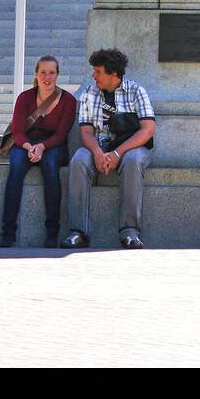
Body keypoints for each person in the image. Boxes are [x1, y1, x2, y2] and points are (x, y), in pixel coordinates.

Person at [61, 47, 156, 250]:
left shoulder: (136, 91)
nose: (93, 76)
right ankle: (78, 232)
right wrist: (97, 152)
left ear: (113, 73)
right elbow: (86, 132)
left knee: (133, 161)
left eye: (98, 72)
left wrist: (117, 153)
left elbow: (147, 130)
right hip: (99, 144)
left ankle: (129, 232)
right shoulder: (89, 92)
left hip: (130, 146)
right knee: (78, 159)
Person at [0, 55, 76, 249]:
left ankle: (52, 232)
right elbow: (17, 132)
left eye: (52, 72)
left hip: (53, 145)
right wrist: (29, 147)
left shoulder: (68, 100)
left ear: (58, 75)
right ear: (36, 74)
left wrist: (42, 147)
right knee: (16, 167)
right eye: (43, 72)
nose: (47, 77)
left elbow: (61, 134)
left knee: (50, 167)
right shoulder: (24, 98)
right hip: (26, 143)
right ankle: (8, 232)